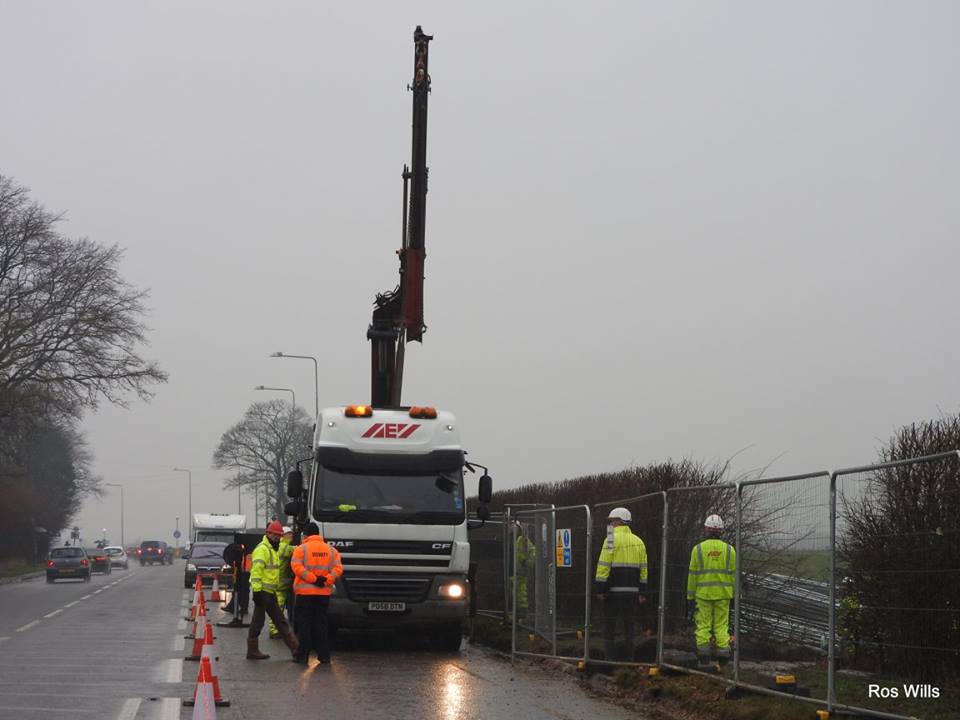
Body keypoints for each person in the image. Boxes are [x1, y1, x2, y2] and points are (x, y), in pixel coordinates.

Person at [594, 507, 648, 661]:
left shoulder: (610, 538)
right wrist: (642, 592)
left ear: (618, 521)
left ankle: (609, 659)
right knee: (629, 627)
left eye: (612, 520)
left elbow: (603, 566)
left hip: (612, 593)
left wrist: (600, 589)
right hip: (632, 593)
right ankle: (629, 660)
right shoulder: (639, 542)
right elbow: (644, 570)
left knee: (609, 627)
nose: (610, 523)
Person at [686, 514, 736, 666]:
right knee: (722, 625)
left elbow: (692, 575)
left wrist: (690, 597)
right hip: (724, 594)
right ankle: (723, 655)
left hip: (703, 594)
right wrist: (734, 596)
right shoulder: (730, 550)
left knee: (703, 625)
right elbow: (734, 575)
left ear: (706, 529)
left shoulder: (698, 549)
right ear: (721, 530)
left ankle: (704, 656)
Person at [290, 521, 343, 665]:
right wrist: (325, 580)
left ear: (306, 534)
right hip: (323, 594)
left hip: (305, 594)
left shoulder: (301, 549)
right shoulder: (332, 551)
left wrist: (313, 579)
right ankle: (324, 656)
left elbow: (296, 567)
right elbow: (338, 569)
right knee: (321, 624)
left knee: (304, 625)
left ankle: (302, 657)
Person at [246, 521, 299, 660]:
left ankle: (296, 649)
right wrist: (256, 591)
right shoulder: (262, 549)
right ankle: (252, 650)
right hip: (263, 592)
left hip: (270, 592)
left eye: (279, 535)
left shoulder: (272, 549)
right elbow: (256, 571)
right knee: (259, 621)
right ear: (267, 533)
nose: (277, 537)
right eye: (274, 535)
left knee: (280, 620)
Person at [269, 526, 295, 638]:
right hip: (280, 585)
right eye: (289, 534)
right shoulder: (284, 547)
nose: (291, 536)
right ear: (283, 535)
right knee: (278, 609)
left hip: (278, 583)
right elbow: (298, 549)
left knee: (278, 608)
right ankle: (274, 631)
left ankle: (275, 629)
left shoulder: (280, 546)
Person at [510, 522, 536, 618]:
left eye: (514, 527)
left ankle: (522, 616)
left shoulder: (523, 540)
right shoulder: (506, 539)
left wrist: (526, 562)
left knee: (521, 596)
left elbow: (533, 553)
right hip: (509, 572)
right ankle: (513, 617)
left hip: (519, 573)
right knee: (511, 596)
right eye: (511, 527)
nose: (512, 529)